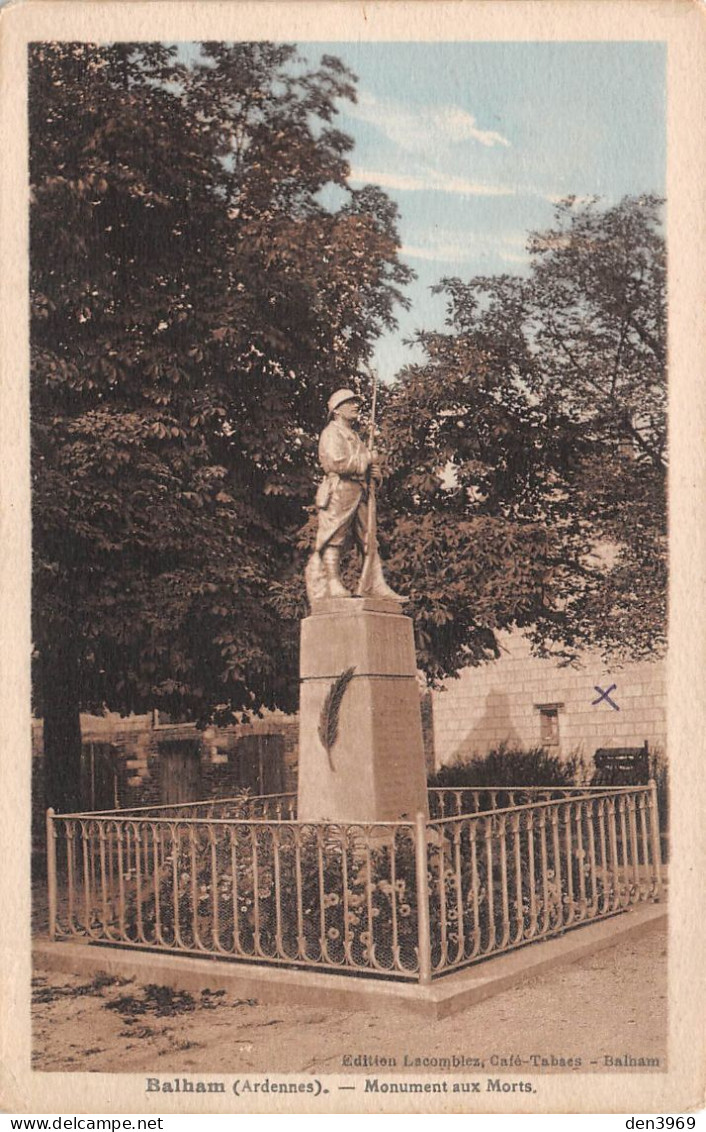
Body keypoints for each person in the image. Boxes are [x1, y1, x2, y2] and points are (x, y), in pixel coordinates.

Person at [305, 388, 404, 602]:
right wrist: (366, 460)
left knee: (369, 539)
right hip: (339, 490)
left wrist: (374, 475)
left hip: (360, 491)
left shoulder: (356, 437)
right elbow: (335, 462)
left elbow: (364, 467)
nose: (356, 406)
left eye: (355, 402)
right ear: (337, 411)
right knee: (334, 536)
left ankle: (374, 584)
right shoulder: (331, 433)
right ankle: (332, 582)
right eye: (349, 403)